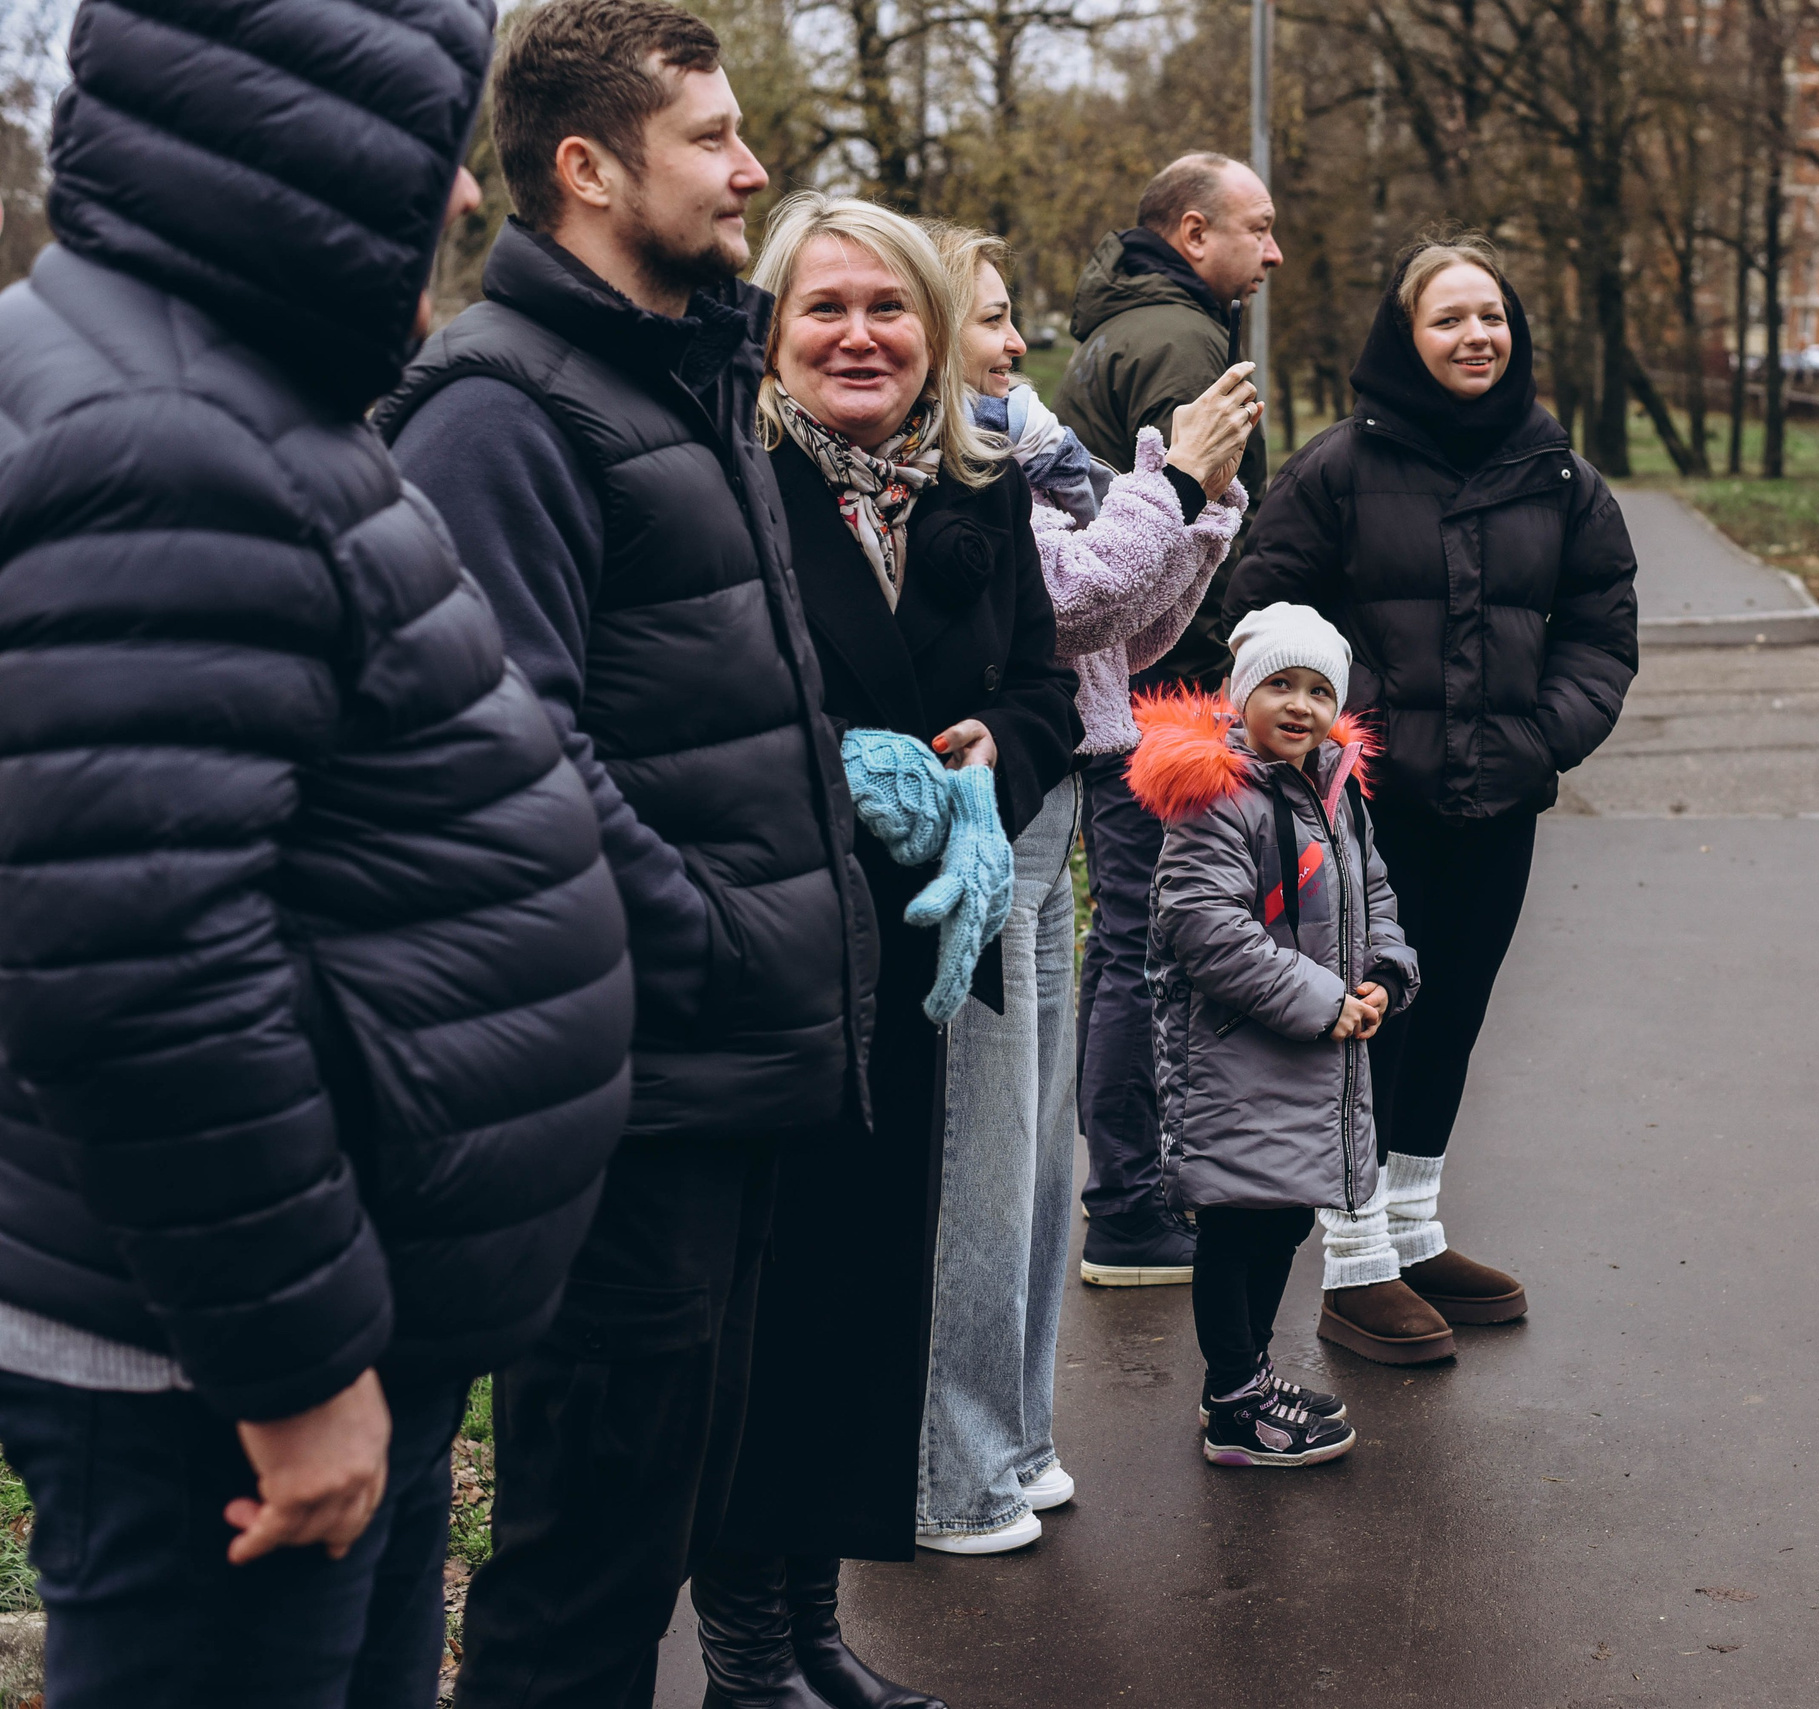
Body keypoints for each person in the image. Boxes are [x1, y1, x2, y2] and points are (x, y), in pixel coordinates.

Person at [0, 0, 635, 1701]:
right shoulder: (165, 435)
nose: (456, 203)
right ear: (309, 146)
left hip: (294, 1313)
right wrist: (295, 1368)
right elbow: (137, 964)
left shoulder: (206, 379)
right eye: (434, 151)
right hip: (215, 1366)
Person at [376, 3, 881, 1703]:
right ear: (587, 168)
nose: (753, 172)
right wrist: (720, 938)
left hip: (722, 1083)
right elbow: (505, 749)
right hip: (621, 1095)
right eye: (712, 139)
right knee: (579, 1589)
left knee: (649, 1544)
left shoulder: (680, 375)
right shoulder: (499, 410)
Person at [680, 190, 1078, 1697]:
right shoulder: (734, 482)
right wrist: (849, 764)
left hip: (919, 961)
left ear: (932, 327)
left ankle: (815, 1630)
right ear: (772, 332)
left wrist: (997, 753)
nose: (862, 334)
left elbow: (1044, 689)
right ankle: (742, 1654)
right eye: (825, 307)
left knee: (866, 1302)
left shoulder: (980, 490)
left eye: (890, 306)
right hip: (779, 954)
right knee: (771, 1317)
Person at [894, 226, 1258, 1556]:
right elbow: (1070, 598)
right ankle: (958, 1467)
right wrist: (1174, 484)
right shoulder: (959, 463)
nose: (1016, 343)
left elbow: (1137, 625)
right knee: (985, 1162)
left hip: (1059, 790)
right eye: (989, 320)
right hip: (999, 805)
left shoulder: (1028, 446)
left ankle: (1014, 1437)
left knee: (1036, 1158)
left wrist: (1197, 509)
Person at [1225, 238, 1638, 1365]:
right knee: (1365, 1022)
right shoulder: (1339, 468)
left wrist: (1540, 738)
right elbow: (1258, 612)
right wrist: (1339, 741)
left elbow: (1602, 625)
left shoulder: (1557, 475)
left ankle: (1411, 1229)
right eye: (1448, 318)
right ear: (1403, 339)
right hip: (1364, 812)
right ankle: (1353, 1262)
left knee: (1449, 1017)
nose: (1475, 337)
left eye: (1491, 317)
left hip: (1497, 805)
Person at [1056, 152, 1284, 1285]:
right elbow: (1191, 524)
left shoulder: (1122, 329)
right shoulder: (1185, 346)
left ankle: (1133, 1195)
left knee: (1132, 945)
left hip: (1132, 682)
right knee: (1148, 951)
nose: (1274, 251)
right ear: (1193, 234)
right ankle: (1132, 1207)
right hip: (1169, 690)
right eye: (1258, 228)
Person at [1126, 605, 1419, 1465]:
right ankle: (1234, 1400)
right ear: (1240, 693)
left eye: (1320, 689)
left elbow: (1378, 897)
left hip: (1313, 1054)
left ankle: (1247, 1375)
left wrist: (1386, 975)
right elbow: (1205, 927)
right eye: (1280, 685)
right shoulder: (1219, 795)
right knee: (1237, 1224)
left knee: (1285, 1217)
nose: (1300, 705)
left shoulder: (1334, 788)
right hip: (1237, 1057)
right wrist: (1325, 1000)